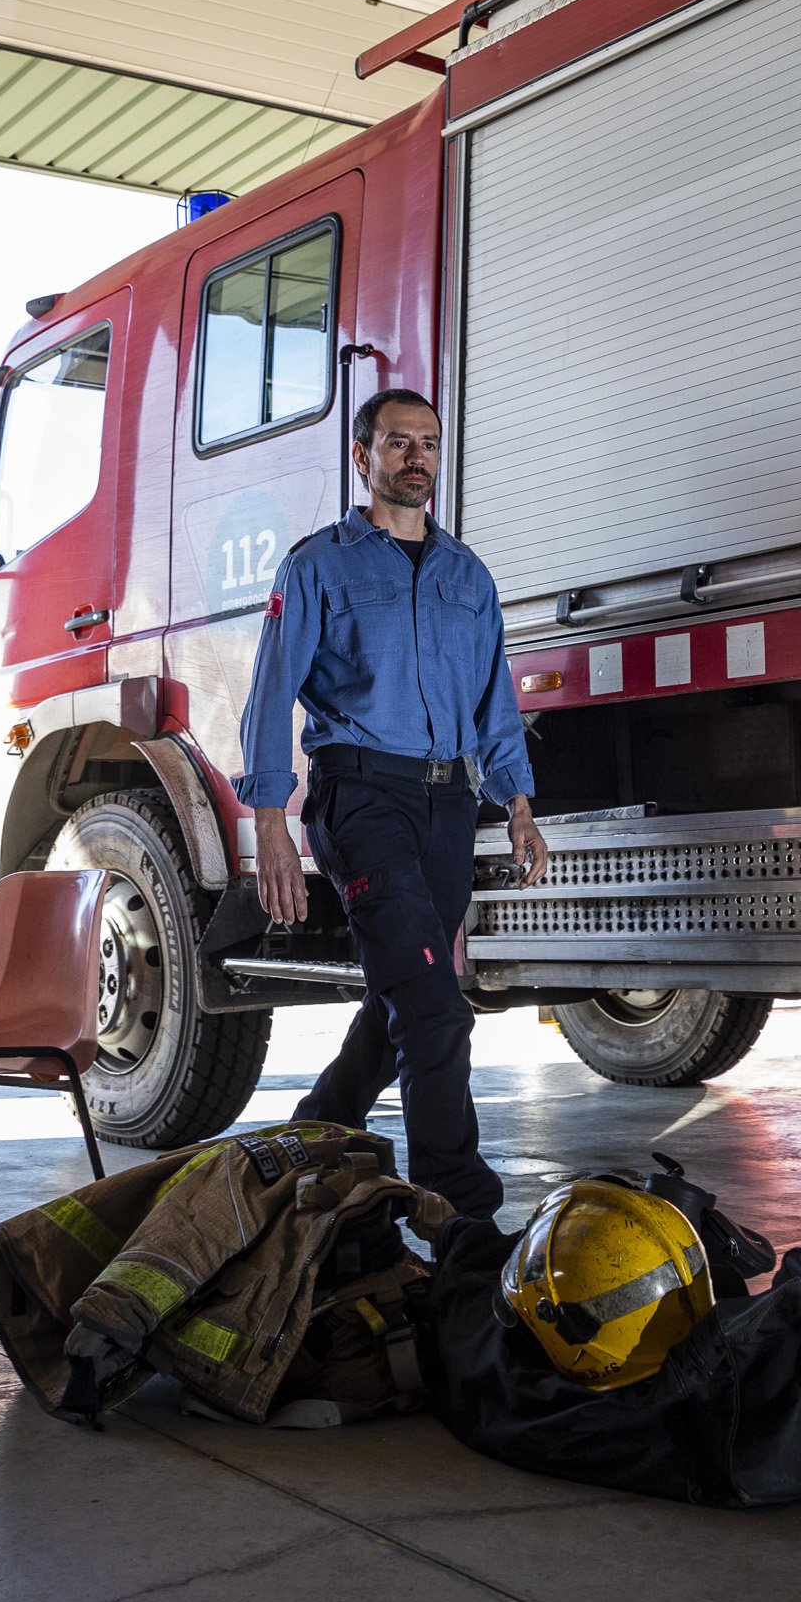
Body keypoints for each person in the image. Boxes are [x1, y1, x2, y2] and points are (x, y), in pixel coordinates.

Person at [236, 387, 549, 1221]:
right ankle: (461, 1207)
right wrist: (270, 817)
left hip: (448, 808)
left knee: (397, 1005)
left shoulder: (467, 577)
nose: (417, 458)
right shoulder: (318, 566)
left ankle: (300, 1152)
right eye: (399, 442)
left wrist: (517, 800)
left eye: (430, 445)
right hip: (360, 796)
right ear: (362, 457)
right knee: (436, 1006)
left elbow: (495, 704)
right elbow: (272, 695)